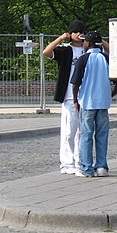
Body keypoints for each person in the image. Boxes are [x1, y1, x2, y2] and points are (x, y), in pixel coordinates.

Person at [71, 31, 117, 177]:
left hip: (87, 102)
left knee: (86, 135)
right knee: (102, 135)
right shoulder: (107, 58)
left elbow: (75, 83)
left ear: (88, 43)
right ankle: (101, 167)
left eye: (85, 41)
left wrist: (75, 100)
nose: (84, 43)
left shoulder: (83, 59)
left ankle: (86, 168)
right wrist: (109, 94)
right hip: (103, 103)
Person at [42, 20, 87, 174]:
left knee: (83, 131)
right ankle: (67, 163)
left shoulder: (88, 50)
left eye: (81, 31)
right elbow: (46, 52)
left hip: (85, 95)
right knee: (69, 130)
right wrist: (60, 39)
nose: (79, 34)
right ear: (70, 34)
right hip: (69, 95)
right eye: (76, 32)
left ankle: (80, 160)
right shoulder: (65, 50)